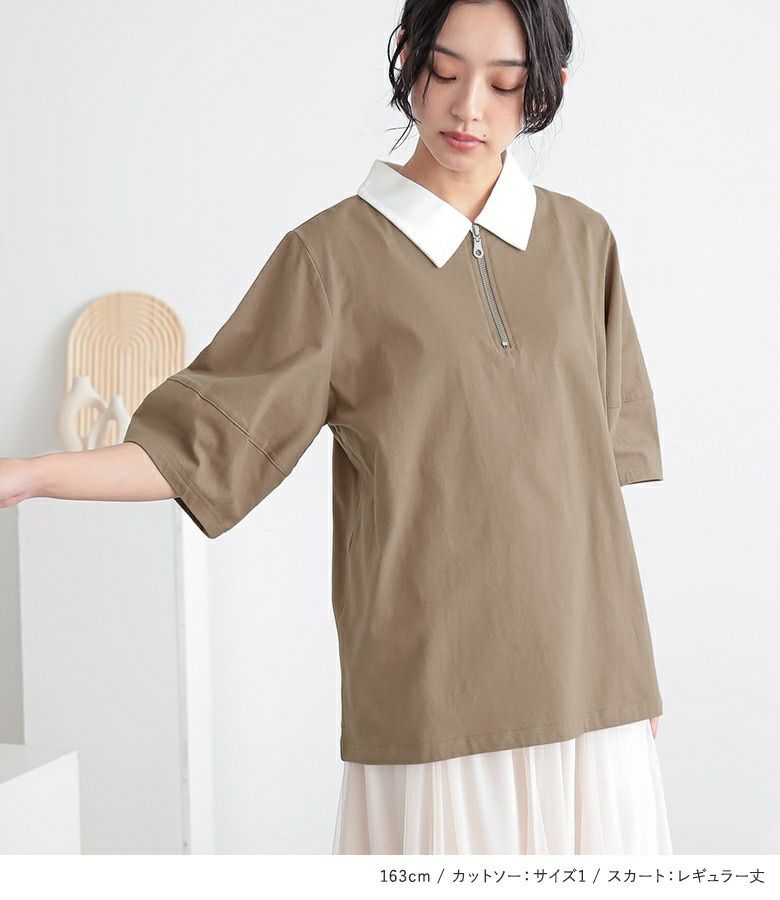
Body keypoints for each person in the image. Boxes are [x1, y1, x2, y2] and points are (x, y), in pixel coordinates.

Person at [0, 0, 672, 853]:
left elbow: (598, 494)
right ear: (407, 55)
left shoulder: (583, 243)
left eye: (505, 84)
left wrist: (634, 667)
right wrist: (28, 474)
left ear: (547, 90)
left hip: (596, 692)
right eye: (446, 71)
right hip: (435, 699)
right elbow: (204, 441)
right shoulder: (331, 260)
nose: (469, 107)